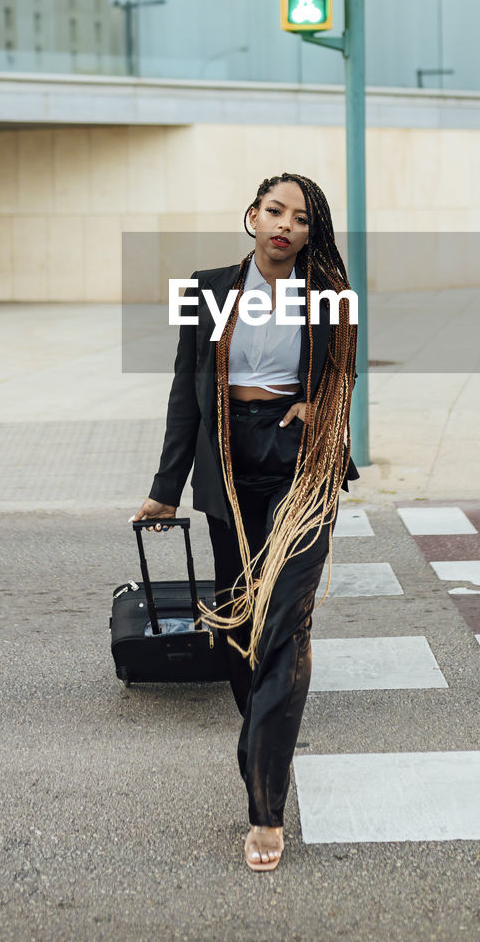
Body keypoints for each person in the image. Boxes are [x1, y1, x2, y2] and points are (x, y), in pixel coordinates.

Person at [132, 172, 359, 872]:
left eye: (298, 217)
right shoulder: (202, 287)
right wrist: (164, 489)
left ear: (311, 231)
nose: (284, 224)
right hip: (227, 460)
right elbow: (184, 388)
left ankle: (265, 808)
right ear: (251, 216)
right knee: (239, 624)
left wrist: (322, 407)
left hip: (299, 459)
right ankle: (265, 733)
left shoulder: (331, 294)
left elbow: (344, 371)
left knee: (285, 621)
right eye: (273, 210)